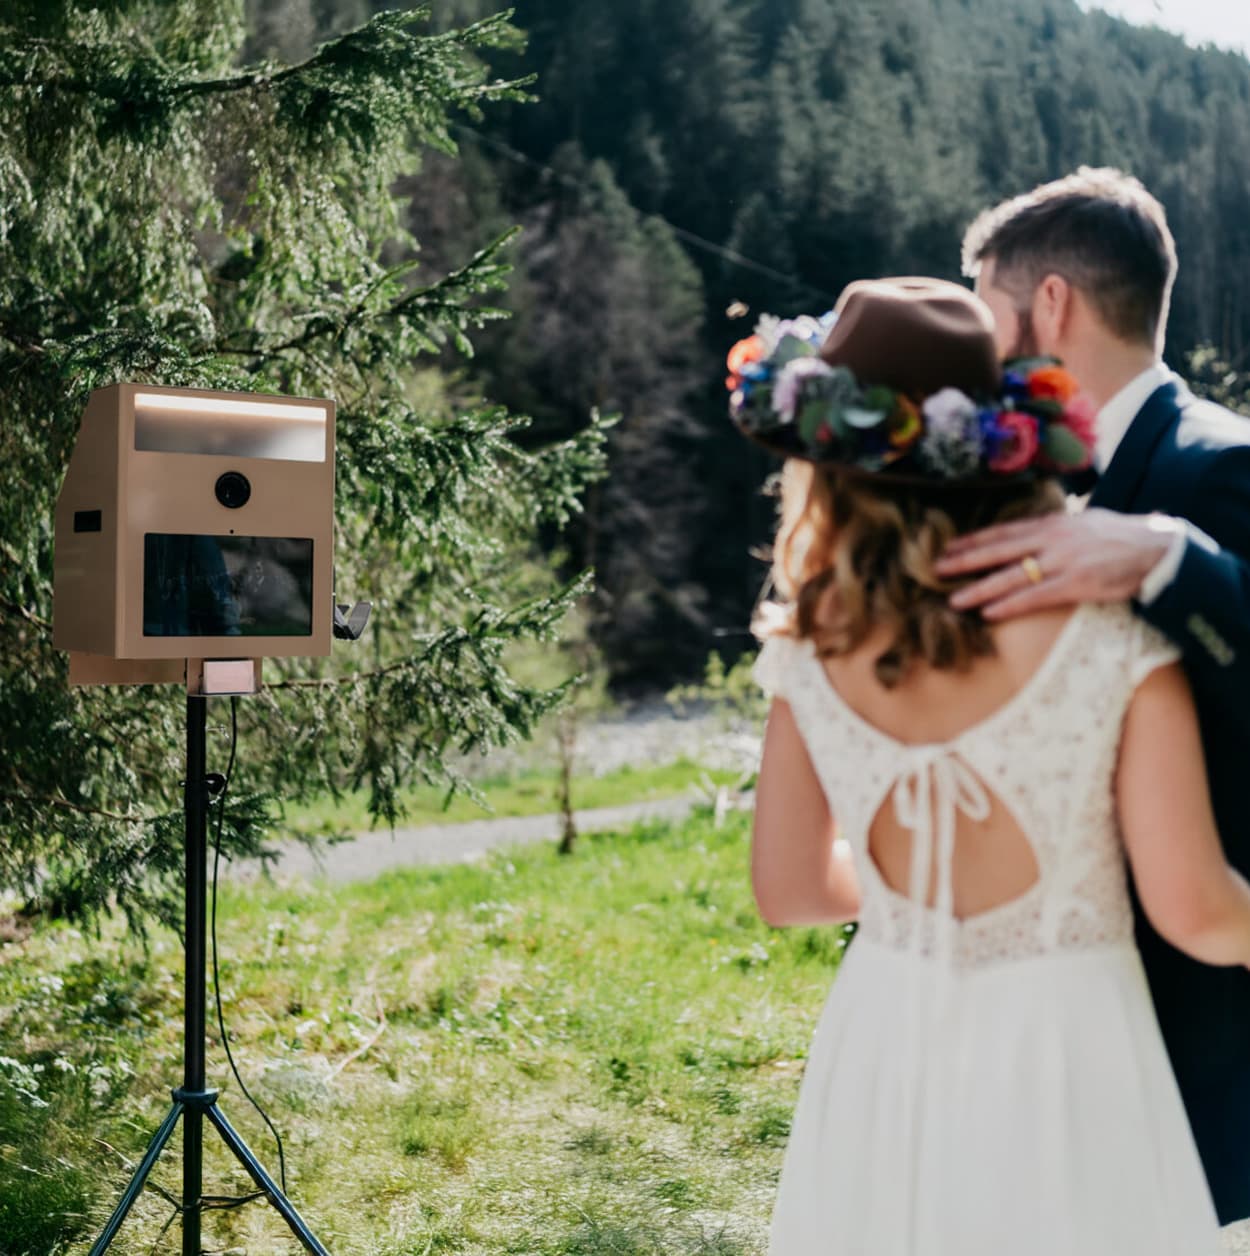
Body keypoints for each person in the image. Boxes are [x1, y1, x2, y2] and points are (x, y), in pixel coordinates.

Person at [730, 276, 1250, 1254]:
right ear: (1004, 447)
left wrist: (908, 904)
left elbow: (790, 888)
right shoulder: (1112, 643)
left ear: (828, 472)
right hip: (1069, 1047)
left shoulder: (807, 649)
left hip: (883, 1035)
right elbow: (1190, 905)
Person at [942, 168, 1250, 1228]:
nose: (971, 342)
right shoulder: (1012, 468)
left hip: (1191, 1009)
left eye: (982, 307)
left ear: (1052, 304)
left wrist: (1170, 560)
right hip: (1039, 992)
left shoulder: (1215, 465)